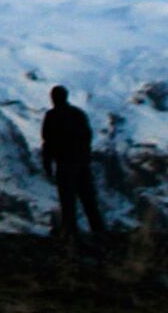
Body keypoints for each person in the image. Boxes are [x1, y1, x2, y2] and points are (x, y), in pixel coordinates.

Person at [41, 84, 104, 239]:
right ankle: (99, 230)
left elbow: (47, 141)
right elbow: (87, 136)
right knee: (88, 198)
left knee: (68, 199)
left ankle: (70, 231)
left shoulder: (52, 116)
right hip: (81, 162)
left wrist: (47, 163)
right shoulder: (77, 114)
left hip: (65, 163)